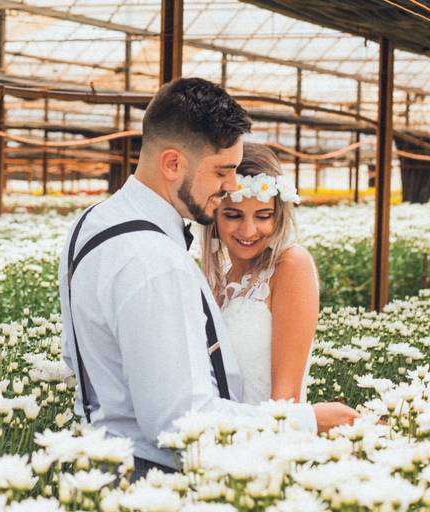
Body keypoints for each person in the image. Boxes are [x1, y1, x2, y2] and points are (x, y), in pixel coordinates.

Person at [58, 78, 358, 481]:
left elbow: (73, 358)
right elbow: (180, 422)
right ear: (171, 164)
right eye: (222, 171)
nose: (232, 186)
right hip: (152, 479)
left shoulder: (89, 225)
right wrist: (306, 422)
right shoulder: (156, 261)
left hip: (101, 463)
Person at [202, 142, 314, 405]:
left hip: (269, 440)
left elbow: (284, 401)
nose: (249, 230)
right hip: (218, 435)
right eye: (233, 215)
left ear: (278, 217)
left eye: (263, 216)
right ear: (215, 216)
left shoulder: (291, 266)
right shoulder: (216, 282)